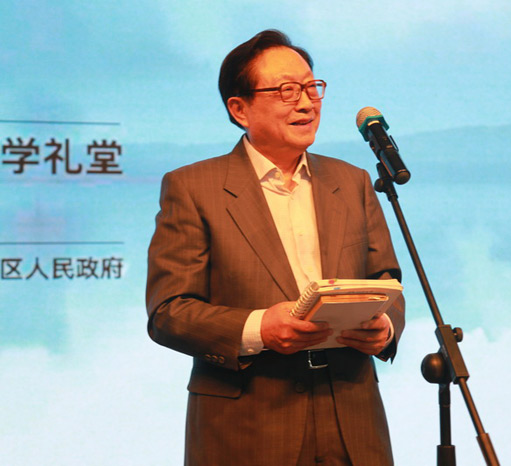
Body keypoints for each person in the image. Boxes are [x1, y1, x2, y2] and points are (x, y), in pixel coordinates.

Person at [146, 29, 404, 465]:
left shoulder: (352, 181)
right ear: (240, 108)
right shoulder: (193, 188)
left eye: (311, 87)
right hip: (248, 426)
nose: (306, 103)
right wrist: (259, 327)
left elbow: (386, 279)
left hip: (352, 420)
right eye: (286, 90)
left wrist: (386, 328)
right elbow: (169, 312)